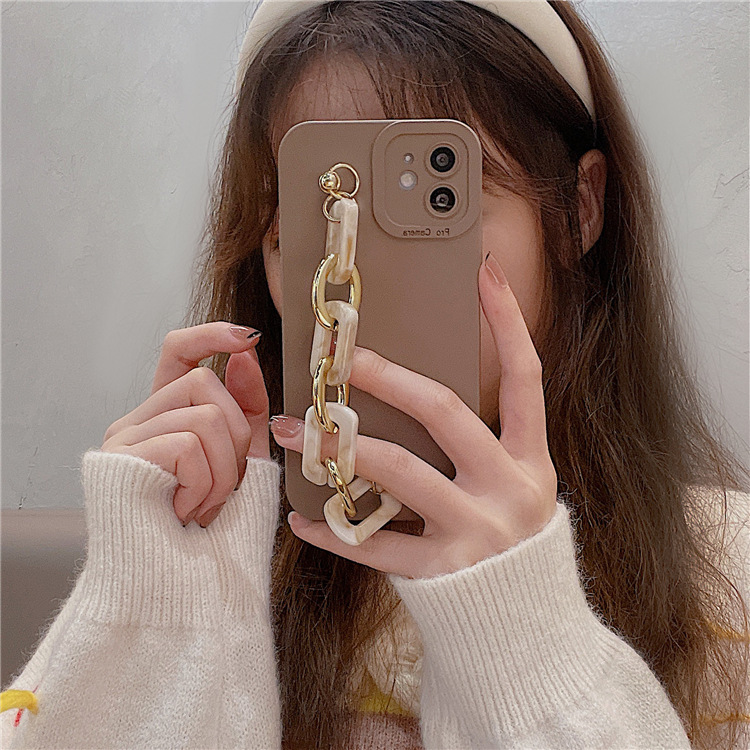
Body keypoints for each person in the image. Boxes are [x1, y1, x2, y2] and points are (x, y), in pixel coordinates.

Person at [2, 1, 748, 748]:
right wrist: (150, 621)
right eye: (305, 227)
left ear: (578, 210)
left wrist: (528, 640)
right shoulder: (217, 551)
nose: (356, 290)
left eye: (440, 209)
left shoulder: (730, 578)